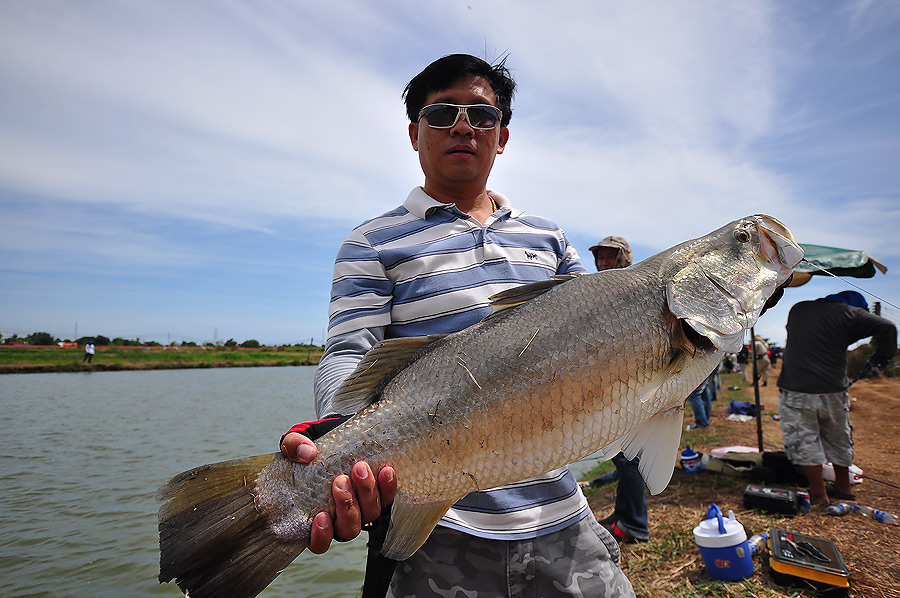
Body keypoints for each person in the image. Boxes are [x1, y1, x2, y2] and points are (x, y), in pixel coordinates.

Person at [280, 54, 635, 597]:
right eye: (442, 113)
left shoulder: (551, 239)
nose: (463, 126)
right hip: (437, 532)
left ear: (504, 135)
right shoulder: (372, 242)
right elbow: (351, 352)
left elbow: (596, 336)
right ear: (414, 132)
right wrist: (333, 434)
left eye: (482, 116)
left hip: (563, 515)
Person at [777, 290, 897, 506]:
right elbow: (887, 327)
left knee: (804, 439)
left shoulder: (799, 309)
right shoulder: (851, 314)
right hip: (834, 390)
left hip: (797, 389)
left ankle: (818, 492)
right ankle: (844, 487)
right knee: (838, 437)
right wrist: (880, 358)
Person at [583, 236, 650, 544]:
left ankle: (635, 524)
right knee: (621, 457)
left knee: (629, 457)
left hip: (630, 384)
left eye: (611, 256)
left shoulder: (632, 288)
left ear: (624, 257)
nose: (603, 262)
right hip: (610, 384)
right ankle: (622, 515)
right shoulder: (601, 289)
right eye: (600, 257)